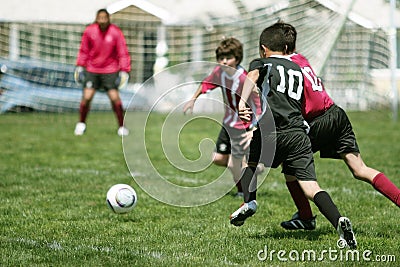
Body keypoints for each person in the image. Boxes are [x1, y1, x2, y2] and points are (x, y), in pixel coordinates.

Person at [229, 23, 357, 249]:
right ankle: (338, 221)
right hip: (298, 132)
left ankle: (250, 202)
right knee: (310, 187)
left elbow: (253, 75)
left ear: (263, 49)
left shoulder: (262, 62)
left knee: (248, 163)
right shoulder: (297, 69)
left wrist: (241, 101)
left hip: (271, 131)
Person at [275, 22, 400, 231]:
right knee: (360, 169)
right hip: (336, 113)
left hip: (318, 121)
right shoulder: (301, 58)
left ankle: (306, 217)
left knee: (290, 165)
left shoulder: (284, 68)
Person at [183, 37, 262, 197]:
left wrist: (255, 124)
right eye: (221, 58)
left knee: (234, 162)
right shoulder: (220, 73)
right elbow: (206, 83)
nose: (224, 62)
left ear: (237, 58)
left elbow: (257, 102)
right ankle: (251, 167)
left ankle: (243, 190)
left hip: (243, 126)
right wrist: (193, 99)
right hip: (228, 123)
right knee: (218, 158)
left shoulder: (243, 78)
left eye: (228, 58)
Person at [74, 8, 131, 136]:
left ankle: (122, 126)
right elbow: (84, 50)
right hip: (92, 69)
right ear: (97, 18)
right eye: (100, 18)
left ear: (108, 18)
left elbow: (123, 52)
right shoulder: (90, 31)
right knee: (87, 97)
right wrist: (80, 66)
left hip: (110, 70)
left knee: (115, 98)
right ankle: (81, 124)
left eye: (105, 18)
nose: (102, 20)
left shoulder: (115, 32)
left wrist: (124, 70)